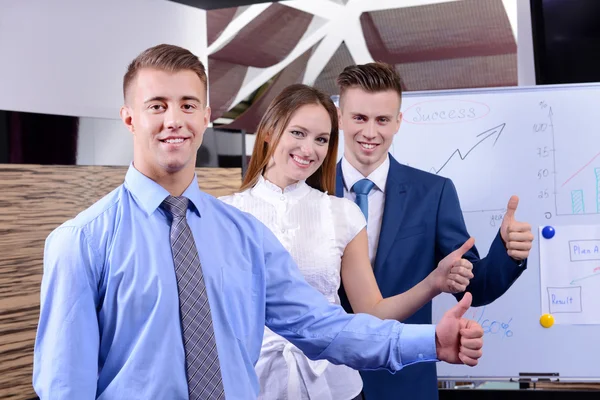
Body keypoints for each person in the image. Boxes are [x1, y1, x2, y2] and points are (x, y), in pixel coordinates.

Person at [33, 44, 484, 400]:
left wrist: (429, 341)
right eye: (157, 105)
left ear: (206, 117)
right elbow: (64, 386)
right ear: (129, 118)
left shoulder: (245, 236)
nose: (175, 119)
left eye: (189, 105)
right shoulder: (81, 242)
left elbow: (324, 327)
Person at [220, 83, 477, 400]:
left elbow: (372, 312)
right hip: (253, 385)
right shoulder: (224, 214)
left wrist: (433, 283)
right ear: (270, 131)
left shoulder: (342, 213)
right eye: (298, 133)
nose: (309, 149)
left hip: (335, 388)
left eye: (321, 140)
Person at [334, 62, 535, 400]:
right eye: (359, 118)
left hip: (404, 384)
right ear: (339, 116)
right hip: (319, 383)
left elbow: (473, 286)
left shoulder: (433, 193)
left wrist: (507, 252)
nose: (370, 132)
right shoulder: (309, 190)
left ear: (398, 121)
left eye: (382, 119)